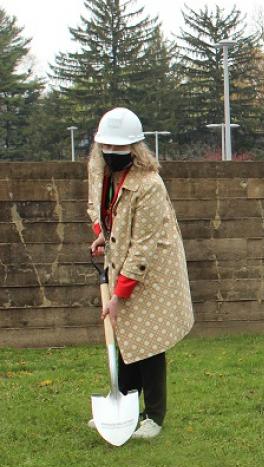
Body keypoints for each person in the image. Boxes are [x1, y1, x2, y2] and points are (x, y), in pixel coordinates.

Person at [87, 107, 194, 439]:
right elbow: (111, 214)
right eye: (108, 147)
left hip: (153, 268)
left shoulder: (149, 185)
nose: (112, 154)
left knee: (150, 339)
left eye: (120, 149)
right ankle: (126, 403)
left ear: (135, 149)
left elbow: (144, 245)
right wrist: (105, 234)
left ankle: (155, 417)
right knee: (127, 338)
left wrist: (119, 295)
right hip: (125, 259)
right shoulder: (105, 174)